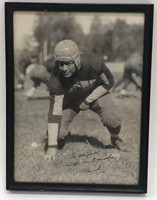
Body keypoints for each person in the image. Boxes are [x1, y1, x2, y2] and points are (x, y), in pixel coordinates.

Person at [45, 39, 125, 161]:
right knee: (57, 134)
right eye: (60, 64)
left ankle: (115, 139)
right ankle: (63, 136)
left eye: (68, 63)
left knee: (113, 119)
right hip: (71, 101)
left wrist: (87, 100)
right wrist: (51, 145)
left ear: (77, 59)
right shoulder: (55, 78)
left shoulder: (93, 63)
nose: (64, 68)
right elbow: (54, 112)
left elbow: (109, 82)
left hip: (95, 95)